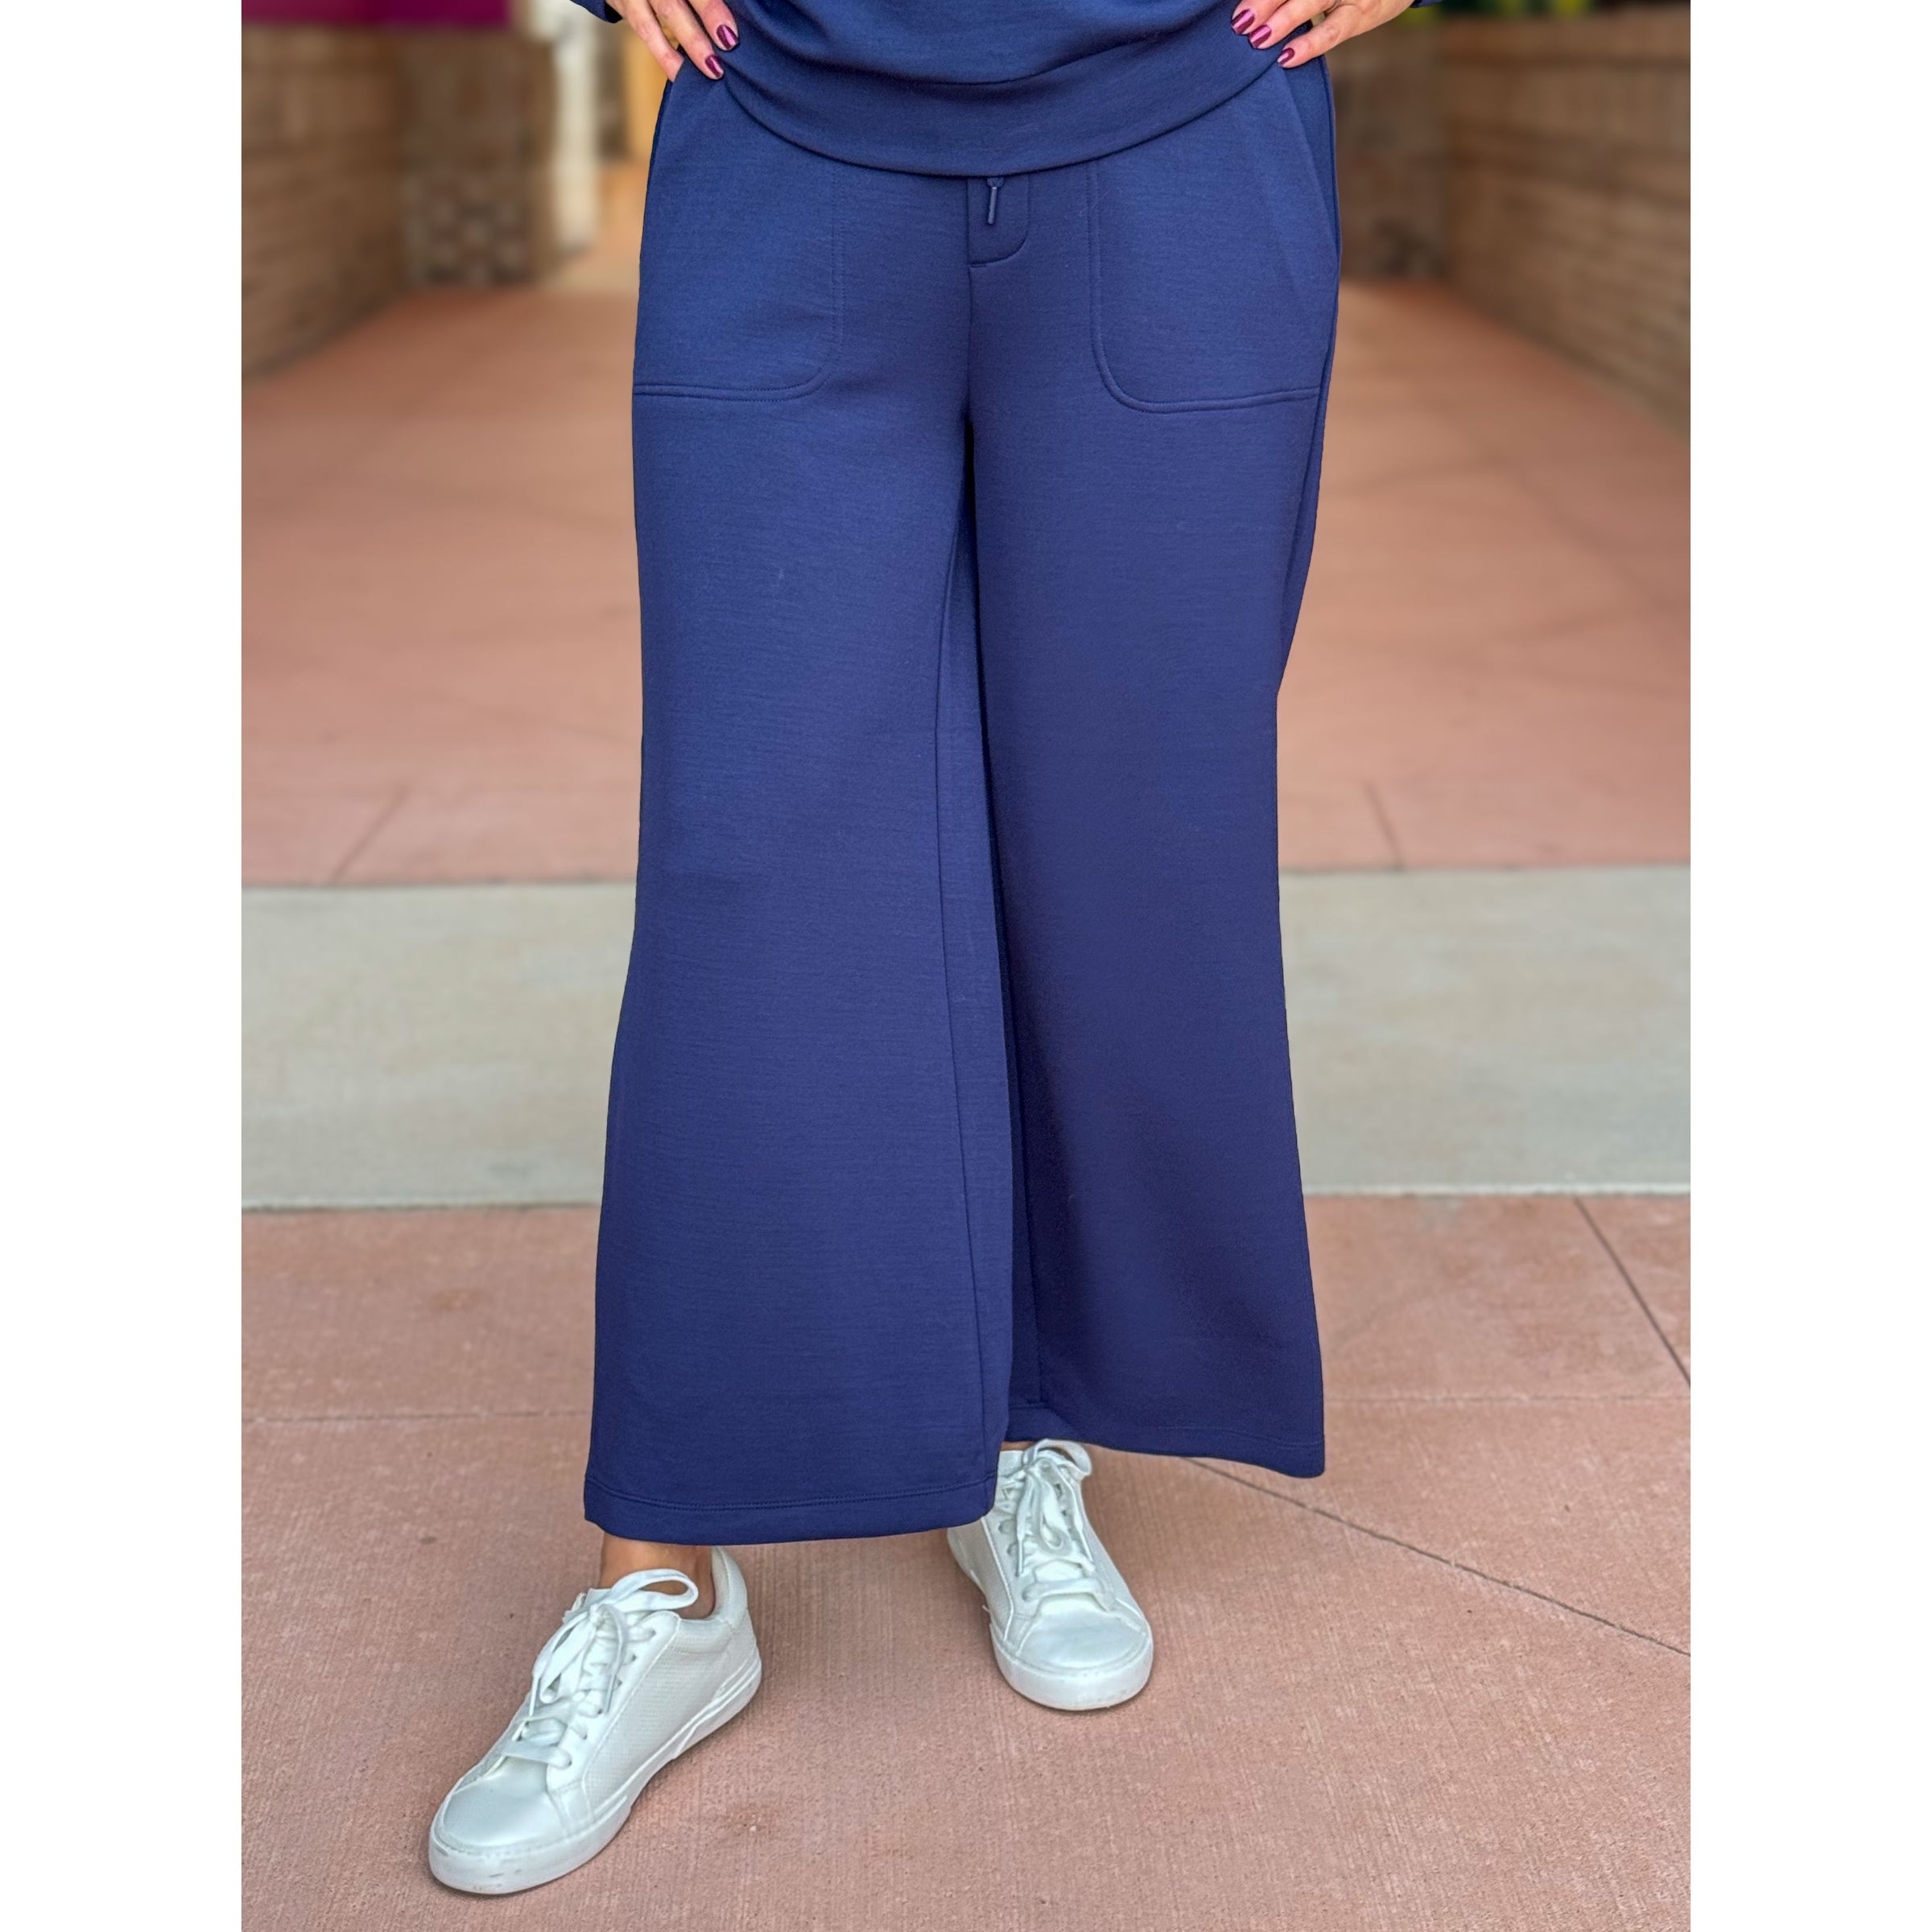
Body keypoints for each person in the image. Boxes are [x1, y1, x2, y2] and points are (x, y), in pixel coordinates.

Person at [428, 0, 1424, 1896]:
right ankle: (665, 1580)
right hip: (781, 122)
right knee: (746, 874)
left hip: (1178, 143)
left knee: (1129, 848)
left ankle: (1021, 1432)